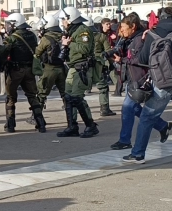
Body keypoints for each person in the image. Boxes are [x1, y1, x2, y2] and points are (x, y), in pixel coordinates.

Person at [123, 7, 172, 164]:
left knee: (147, 117)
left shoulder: (153, 33)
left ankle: (138, 154)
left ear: (159, 18)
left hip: (162, 82)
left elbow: (143, 59)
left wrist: (145, 41)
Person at [110, 12, 171, 150]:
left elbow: (140, 60)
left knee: (127, 109)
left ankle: (125, 140)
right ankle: (162, 126)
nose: (121, 30)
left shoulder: (140, 40)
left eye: (124, 28)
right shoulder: (129, 38)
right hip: (132, 79)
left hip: (139, 80)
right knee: (135, 109)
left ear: (133, 27)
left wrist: (122, 60)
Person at [57, 7, 99, 138]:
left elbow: (85, 48)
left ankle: (90, 125)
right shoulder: (72, 31)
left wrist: (69, 44)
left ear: (70, 19)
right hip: (74, 67)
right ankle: (72, 126)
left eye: (64, 19)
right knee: (68, 97)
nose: (62, 22)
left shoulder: (82, 31)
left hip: (82, 68)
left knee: (76, 97)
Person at [0, 13, 45, 133]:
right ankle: (41, 123)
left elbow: (4, 53)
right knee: (32, 96)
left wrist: (2, 65)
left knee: (10, 97)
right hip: (29, 70)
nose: (8, 26)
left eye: (10, 24)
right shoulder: (32, 35)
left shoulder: (11, 38)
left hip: (15, 71)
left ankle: (10, 125)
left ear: (15, 24)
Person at [34, 15, 67, 120]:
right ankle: (71, 120)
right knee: (65, 94)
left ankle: (37, 119)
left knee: (42, 93)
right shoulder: (63, 35)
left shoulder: (46, 38)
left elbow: (37, 52)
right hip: (62, 68)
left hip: (49, 68)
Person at [93, 18, 116, 117]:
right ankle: (104, 108)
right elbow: (108, 51)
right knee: (103, 87)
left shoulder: (78, 36)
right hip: (98, 63)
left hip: (81, 64)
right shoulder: (101, 36)